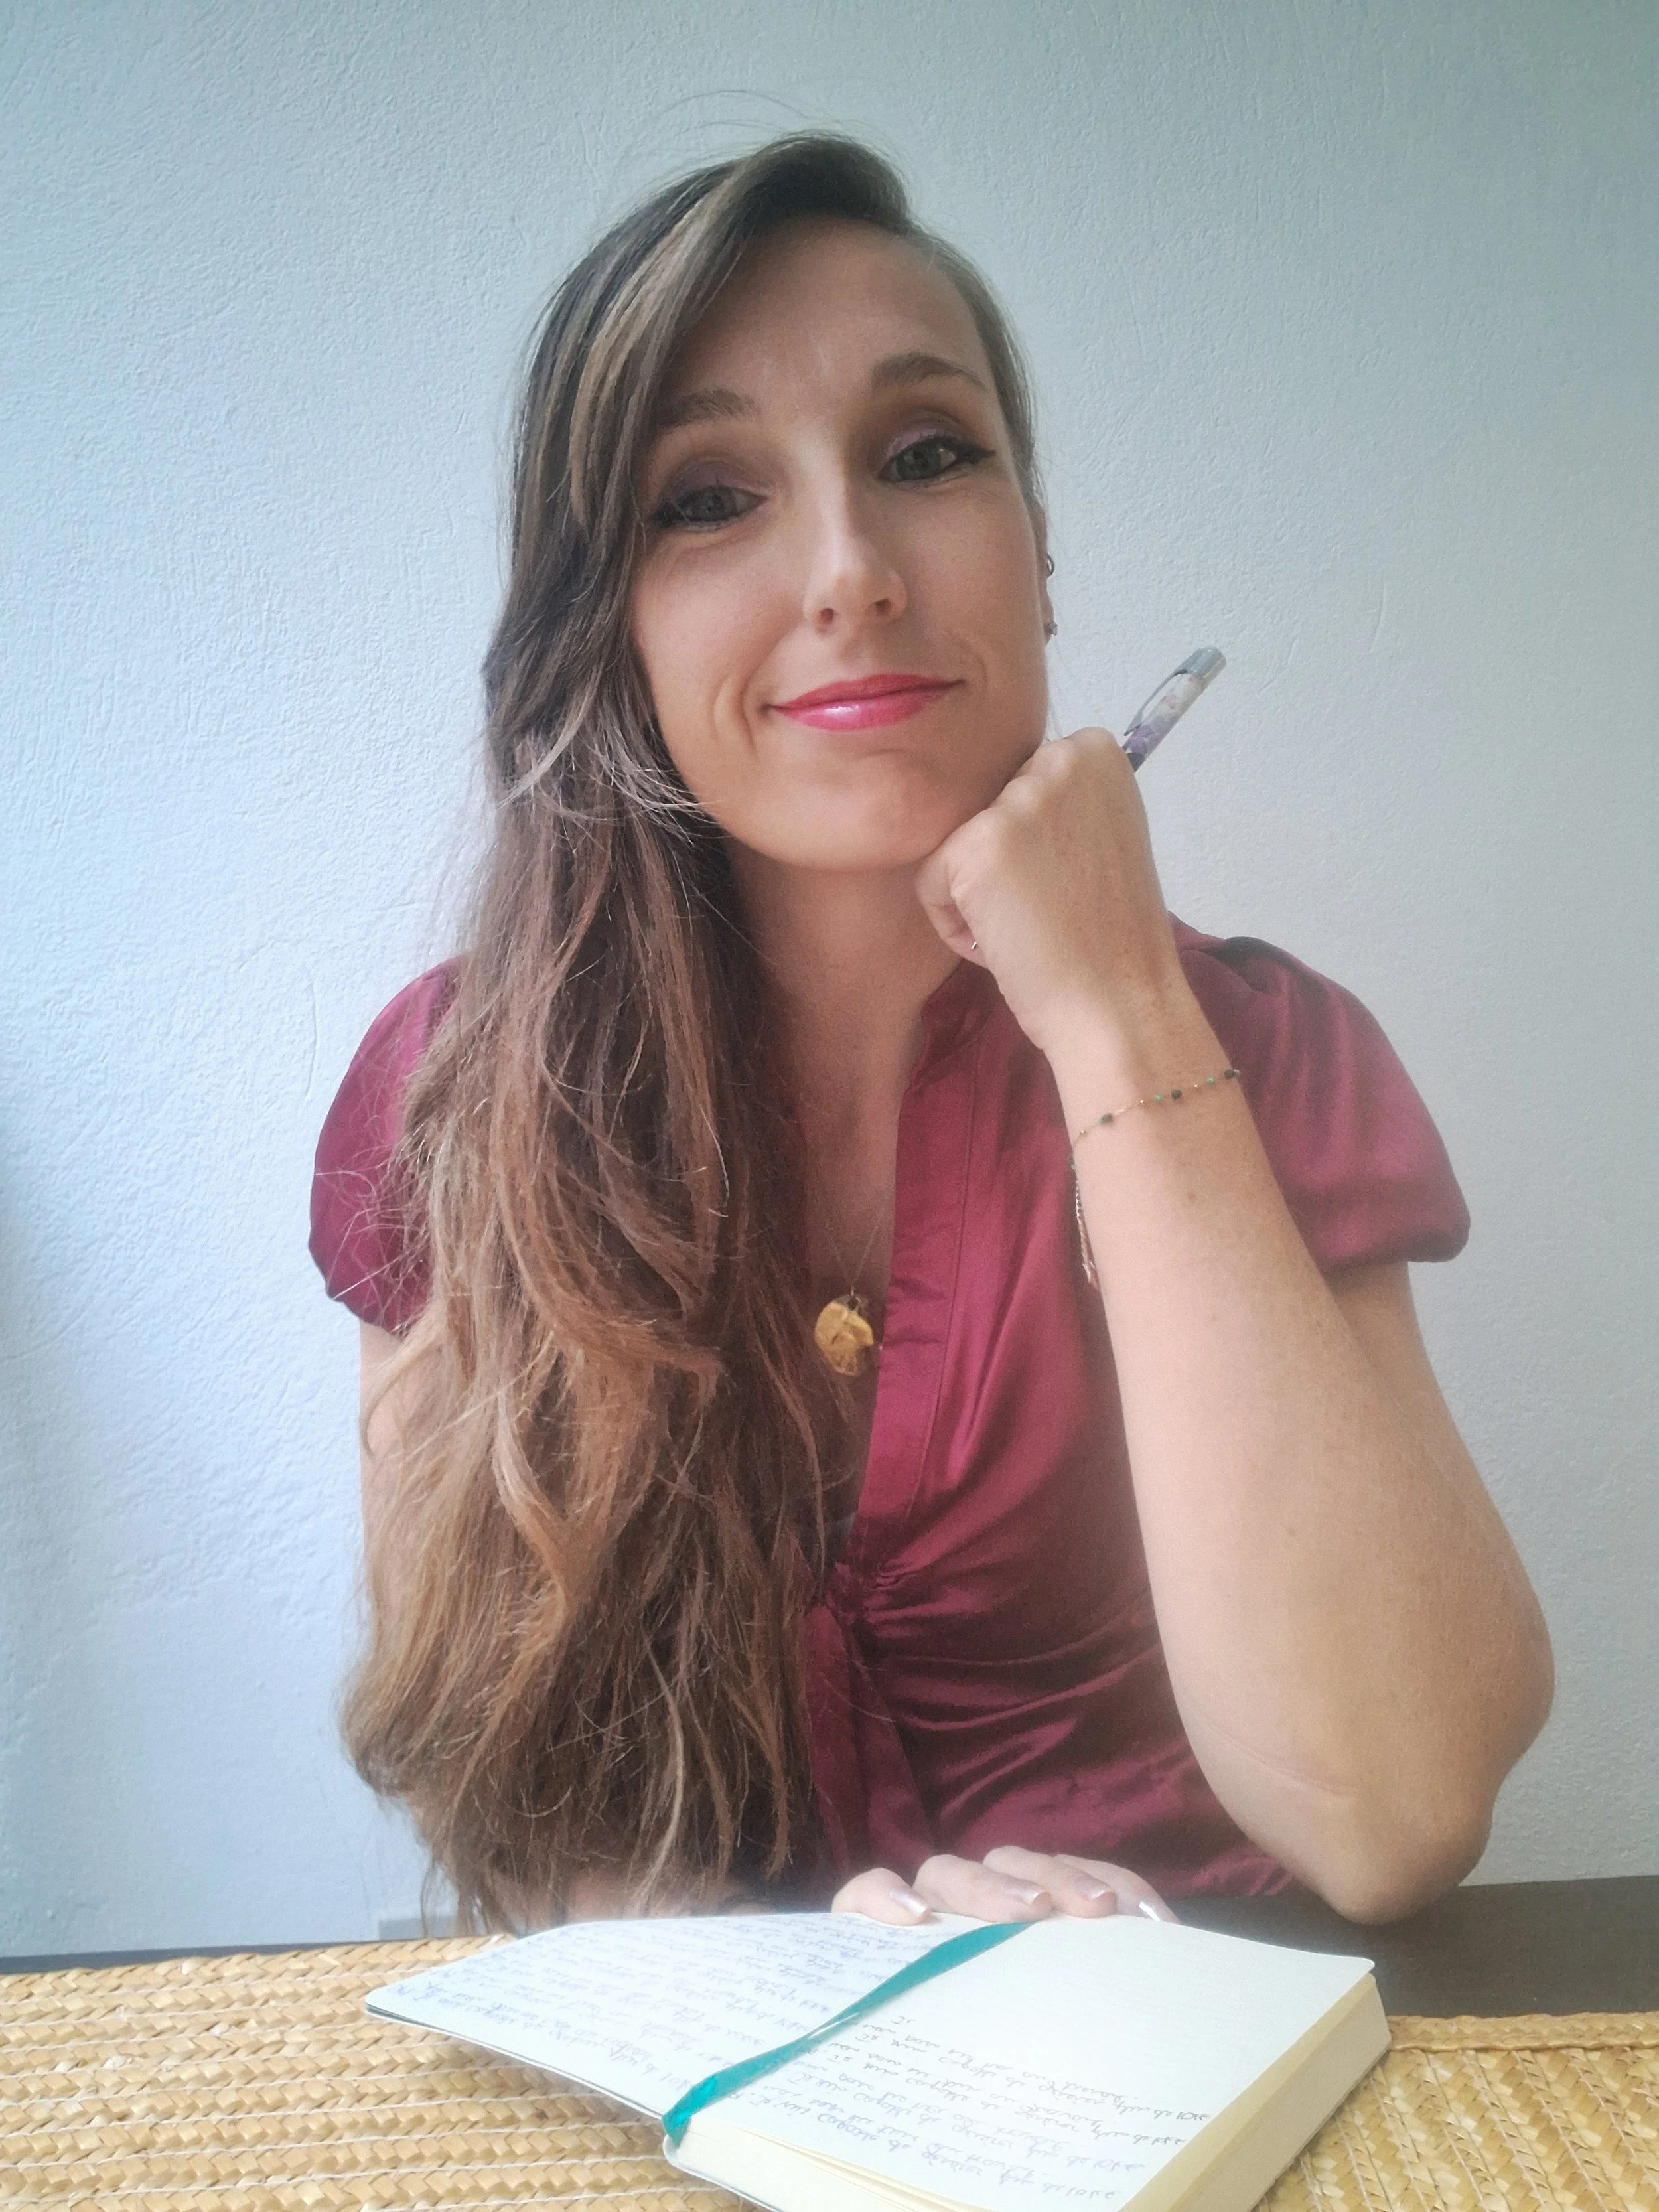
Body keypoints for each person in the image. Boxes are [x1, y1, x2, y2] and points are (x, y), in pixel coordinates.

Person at [309, 133, 1552, 1937]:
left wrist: (1118, 1013)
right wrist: (801, 1987)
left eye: (921, 457)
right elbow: (484, 1770)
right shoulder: (449, 1097)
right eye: (706, 497)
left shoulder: (1267, 1050)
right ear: (611, 623)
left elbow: (1396, 1803)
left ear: (1034, 551)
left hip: (1204, 2080)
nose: (849, 569)